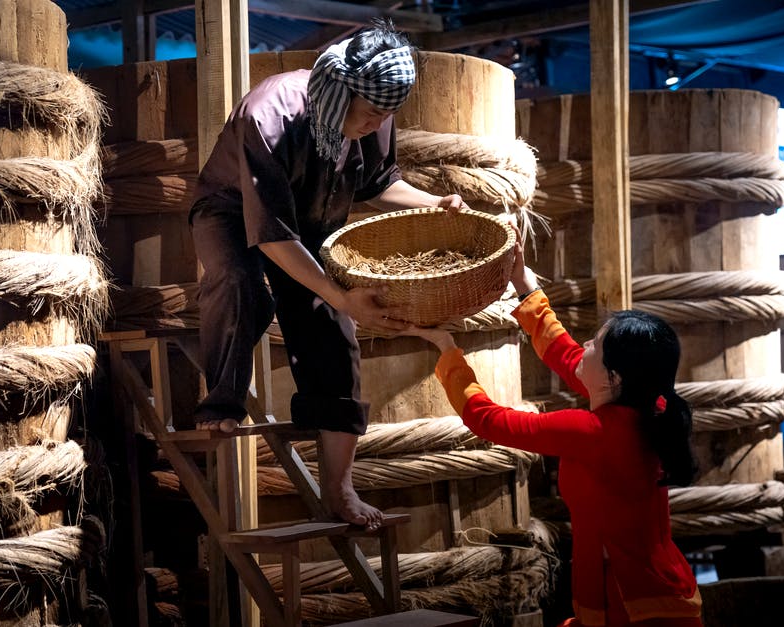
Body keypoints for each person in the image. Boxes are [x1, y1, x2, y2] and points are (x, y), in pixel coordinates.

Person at [188, 19, 467, 530]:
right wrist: (339, 294)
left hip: (314, 219)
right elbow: (270, 233)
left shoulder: (373, 111)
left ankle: (339, 488)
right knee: (240, 283)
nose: (377, 123)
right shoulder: (268, 116)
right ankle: (221, 399)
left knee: (333, 332)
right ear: (340, 94)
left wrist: (433, 204)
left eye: (387, 114)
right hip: (231, 209)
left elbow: (377, 184)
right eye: (372, 113)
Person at [402, 233, 703, 626]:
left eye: (595, 345)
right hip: (657, 586)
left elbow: (489, 421)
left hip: (632, 604)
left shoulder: (591, 431)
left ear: (613, 377)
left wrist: (447, 351)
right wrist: (523, 281)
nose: (585, 348)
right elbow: (567, 355)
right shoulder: (648, 406)